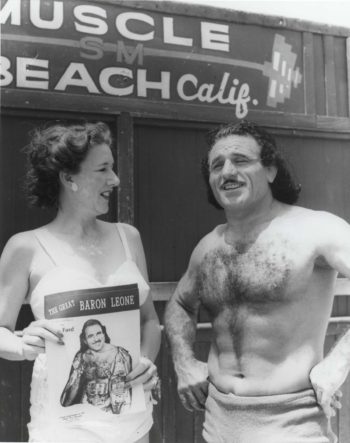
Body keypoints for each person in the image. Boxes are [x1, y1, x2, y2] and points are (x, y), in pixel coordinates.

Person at [164, 120, 350, 443]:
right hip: (218, 422)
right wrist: (183, 362)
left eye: (241, 160)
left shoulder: (317, 229)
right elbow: (180, 304)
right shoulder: (208, 247)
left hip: (293, 424)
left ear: (271, 170)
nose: (227, 171)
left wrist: (339, 361)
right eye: (216, 165)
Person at [0, 121, 161, 443]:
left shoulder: (129, 237)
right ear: (68, 177)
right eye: (103, 169)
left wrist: (144, 362)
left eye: (112, 169)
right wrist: (21, 345)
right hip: (64, 427)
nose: (114, 180)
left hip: (132, 419)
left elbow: (148, 320)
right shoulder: (26, 246)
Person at [61, 319, 133, 414]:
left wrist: (118, 417)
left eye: (98, 333)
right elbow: (74, 385)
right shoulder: (81, 357)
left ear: (104, 334)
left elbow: (121, 391)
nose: (96, 339)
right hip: (85, 409)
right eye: (90, 336)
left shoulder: (119, 355)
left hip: (109, 410)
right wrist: (65, 410)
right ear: (85, 340)